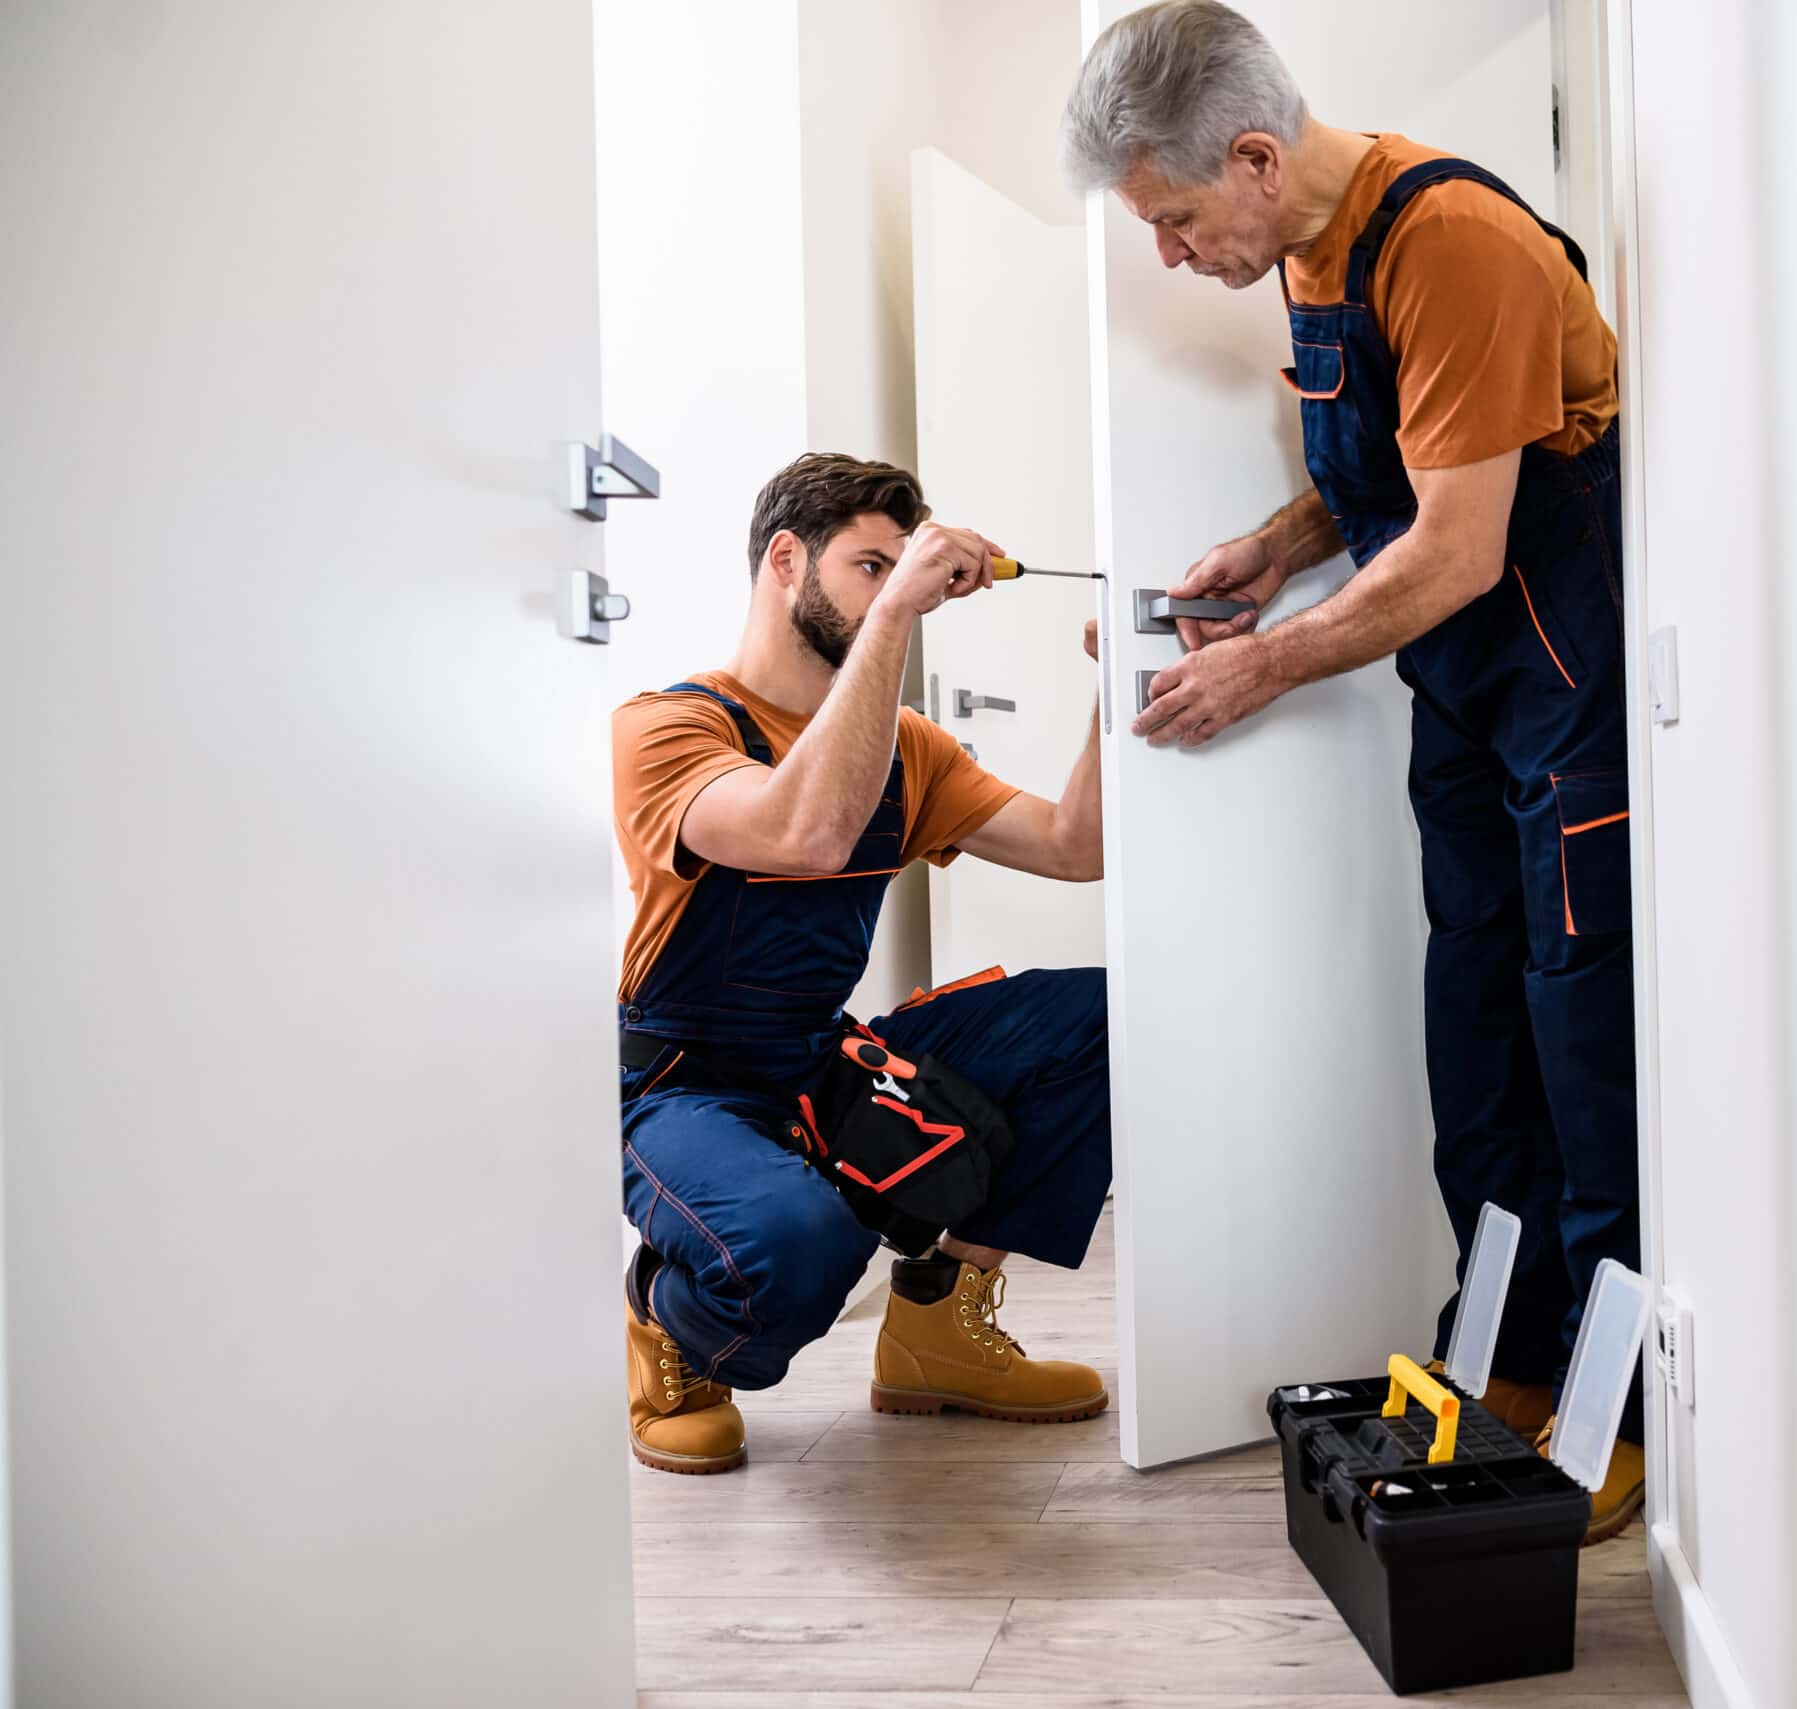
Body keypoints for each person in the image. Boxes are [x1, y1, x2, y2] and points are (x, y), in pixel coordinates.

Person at [1061, 0, 1641, 1541]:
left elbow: (1456, 544)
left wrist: (1257, 663)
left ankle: (1618, 1405)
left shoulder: (1451, 241)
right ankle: (1509, 1356)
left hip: (1561, 682)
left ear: (1254, 158)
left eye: (1178, 222)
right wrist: (1272, 547)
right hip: (1466, 696)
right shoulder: (1310, 247)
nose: (1174, 258)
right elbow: (1398, 470)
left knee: (1585, 1042)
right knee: (1477, 1032)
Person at [613, 452, 1112, 1474]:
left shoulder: (908, 747)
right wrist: (898, 617)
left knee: (1104, 1016)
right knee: (800, 1247)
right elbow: (805, 832)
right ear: (786, 560)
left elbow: (1076, 845)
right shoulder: (672, 727)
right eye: (869, 566)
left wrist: (1120, 681)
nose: (892, 589)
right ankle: (671, 1321)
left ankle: (938, 1328)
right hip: (680, 1082)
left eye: (901, 567)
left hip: (818, 1054)